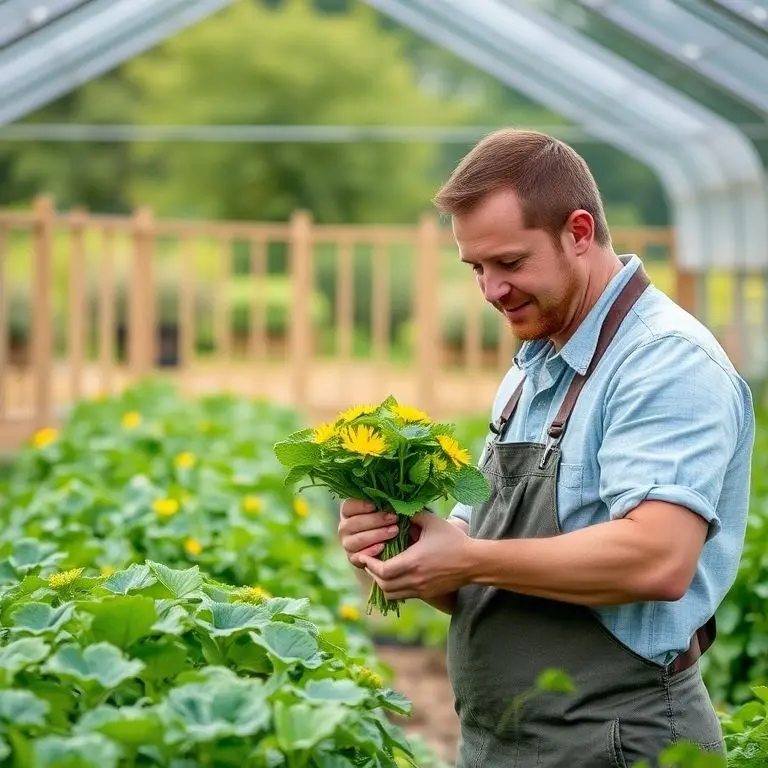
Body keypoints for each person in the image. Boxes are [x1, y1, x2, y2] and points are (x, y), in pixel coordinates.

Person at [338, 129, 755, 766]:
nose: (491, 290)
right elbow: (481, 573)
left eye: (510, 262)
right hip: (507, 740)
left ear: (579, 231)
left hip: (614, 740)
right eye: (476, 267)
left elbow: (657, 559)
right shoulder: (533, 367)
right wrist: (408, 549)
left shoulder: (663, 362)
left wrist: (470, 558)